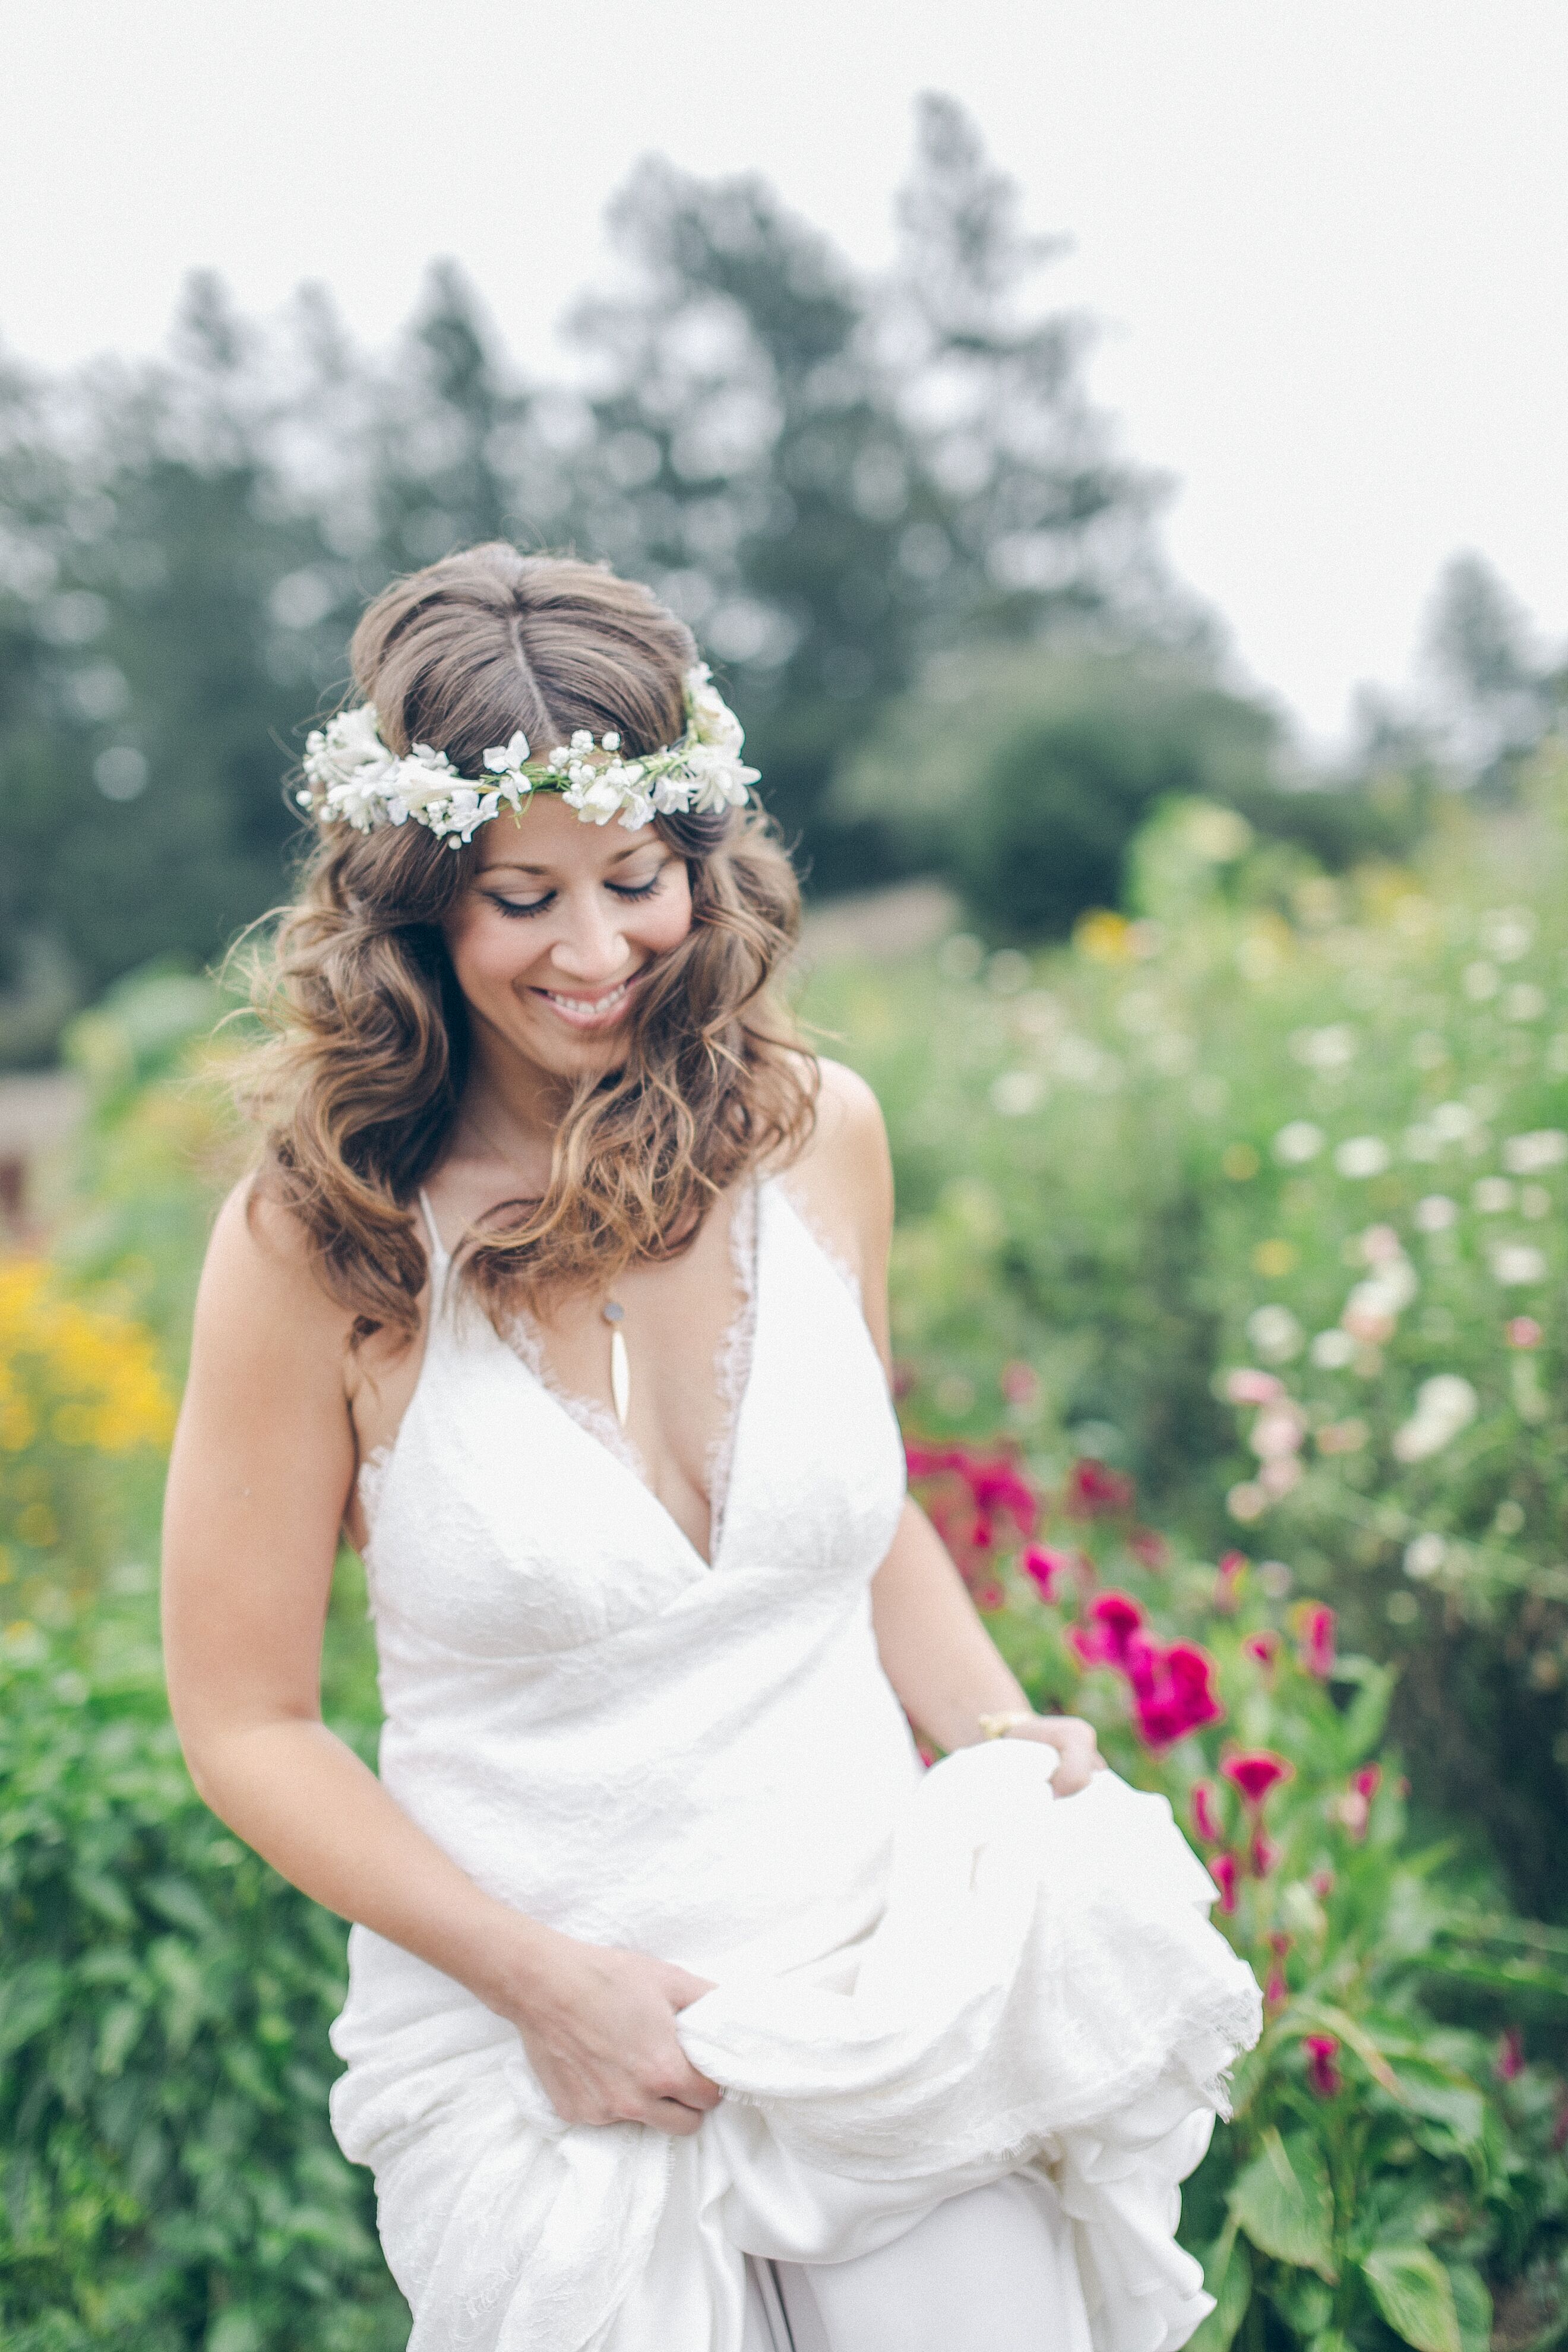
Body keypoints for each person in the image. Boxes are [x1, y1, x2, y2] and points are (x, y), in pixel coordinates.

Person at [163, 546, 1259, 2352]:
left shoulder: (820, 1135)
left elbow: (853, 1510)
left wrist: (997, 1731)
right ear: (414, 904)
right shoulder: (319, 1248)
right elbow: (247, 1724)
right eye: (522, 896)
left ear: (701, 862)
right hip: (546, 2062)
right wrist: (545, 1986)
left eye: (636, 879)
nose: (594, 955)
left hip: (884, 1996)